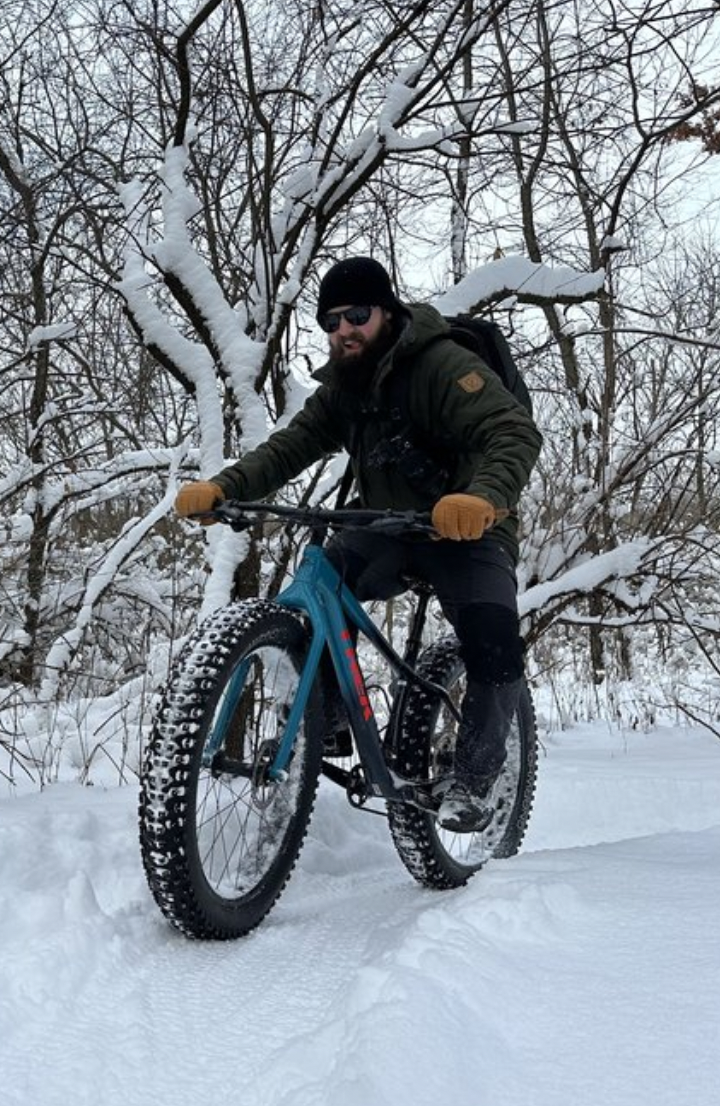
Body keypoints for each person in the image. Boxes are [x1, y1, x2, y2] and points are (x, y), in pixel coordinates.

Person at [173, 256, 541, 832]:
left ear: (387, 313)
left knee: (493, 640)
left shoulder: (442, 365)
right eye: (331, 321)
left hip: (467, 528)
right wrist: (224, 488)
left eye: (358, 315)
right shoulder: (344, 388)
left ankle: (475, 779)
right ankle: (330, 716)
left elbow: (512, 431)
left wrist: (484, 498)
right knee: (318, 580)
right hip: (387, 528)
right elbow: (289, 447)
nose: (344, 330)